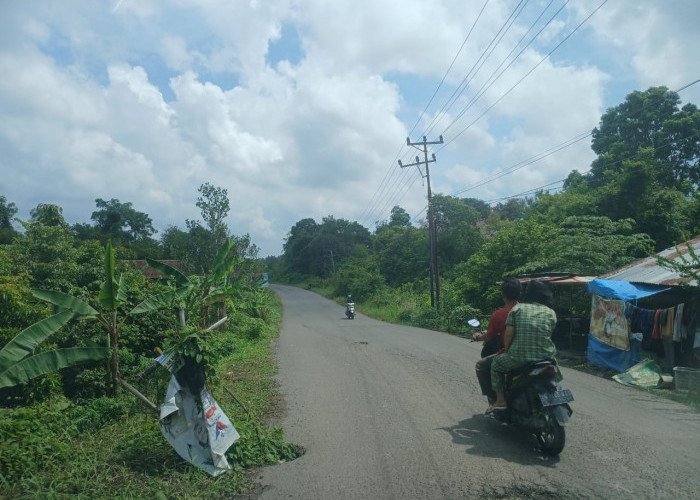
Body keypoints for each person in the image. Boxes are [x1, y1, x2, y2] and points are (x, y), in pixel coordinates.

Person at [487, 280, 558, 414]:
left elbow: (508, 335)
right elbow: (549, 333)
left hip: (520, 357)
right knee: (554, 370)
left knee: (495, 365)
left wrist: (507, 351)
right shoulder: (550, 312)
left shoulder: (518, 309)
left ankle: (500, 400)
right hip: (546, 357)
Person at [474, 278, 521, 404]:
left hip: (512, 353)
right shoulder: (526, 311)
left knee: (481, 366)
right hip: (535, 353)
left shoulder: (500, 314)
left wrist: (478, 337)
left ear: (503, 295)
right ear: (519, 293)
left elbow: (489, 336)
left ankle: (495, 399)